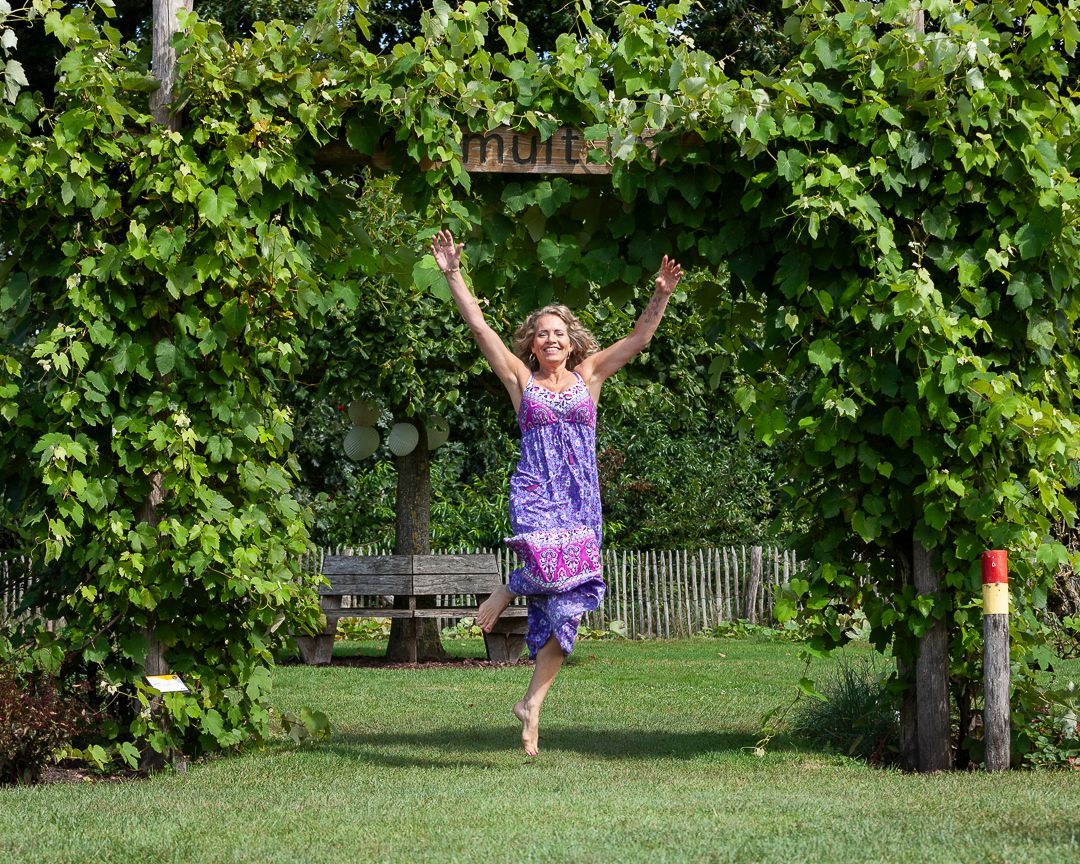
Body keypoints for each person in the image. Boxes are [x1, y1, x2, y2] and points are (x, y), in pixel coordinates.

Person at [430, 229, 683, 756]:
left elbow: (639, 340)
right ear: (531, 342)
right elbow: (479, 327)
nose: (550, 340)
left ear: (572, 343)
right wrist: (454, 274)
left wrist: (659, 293)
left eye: (559, 334)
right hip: (536, 488)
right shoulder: (521, 381)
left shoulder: (591, 375)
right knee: (550, 562)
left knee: (567, 608)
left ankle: (532, 704)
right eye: (542, 334)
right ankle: (509, 587)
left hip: (580, 497)